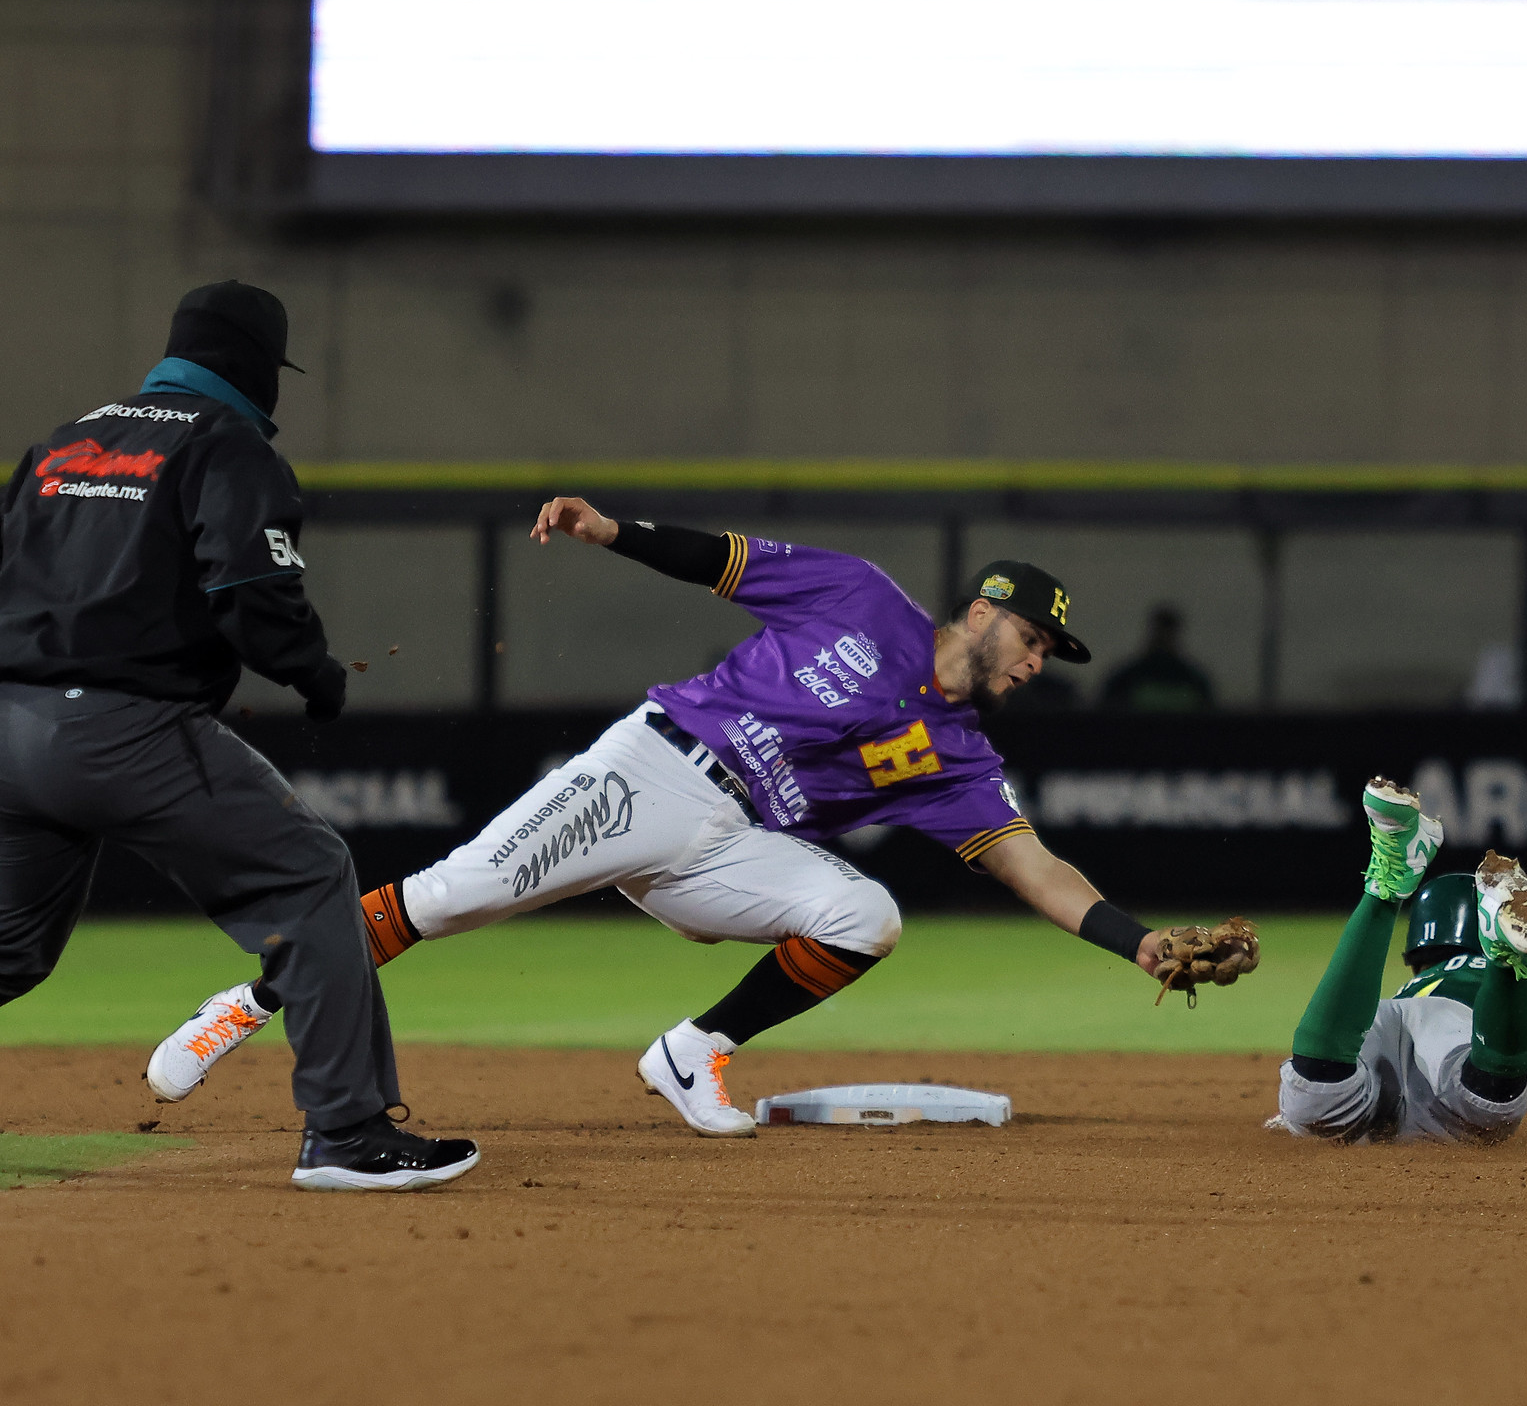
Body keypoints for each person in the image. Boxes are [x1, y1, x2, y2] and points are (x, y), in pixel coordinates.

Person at [157, 500, 1214, 1136]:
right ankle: (246, 1003)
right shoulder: (861, 597)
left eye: (1049, 656)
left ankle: (691, 1051)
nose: (1038, 663)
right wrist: (609, 530)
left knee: (867, 918)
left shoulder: (961, 759)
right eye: (1034, 639)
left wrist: (1140, 941)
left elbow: (1033, 867)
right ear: (982, 610)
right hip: (655, 770)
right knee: (448, 900)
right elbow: (724, 562)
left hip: (735, 846)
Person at [0, 281, 478, 1191]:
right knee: (308, 878)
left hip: (8, 726)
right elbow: (250, 593)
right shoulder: (223, 441)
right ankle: (346, 1132)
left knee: (8, 947)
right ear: (257, 366)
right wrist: (313, 672)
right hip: (119, 727)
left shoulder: (62, 441)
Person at [1270, 778, 1527, 1145]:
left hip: (1385, 1023)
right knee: (1486, 1103)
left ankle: (1384, 886)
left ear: (1419, 949)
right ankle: (1506, 960)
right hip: (1457, 1044)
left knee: (1316, 1093)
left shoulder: (1415, 986)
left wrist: (1292, 1118)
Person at [1100, 604, 1214, 711]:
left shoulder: (1194, 680)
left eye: (1167, 633)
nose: (1163, 638)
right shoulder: (1126, 678)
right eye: (1159, 632)